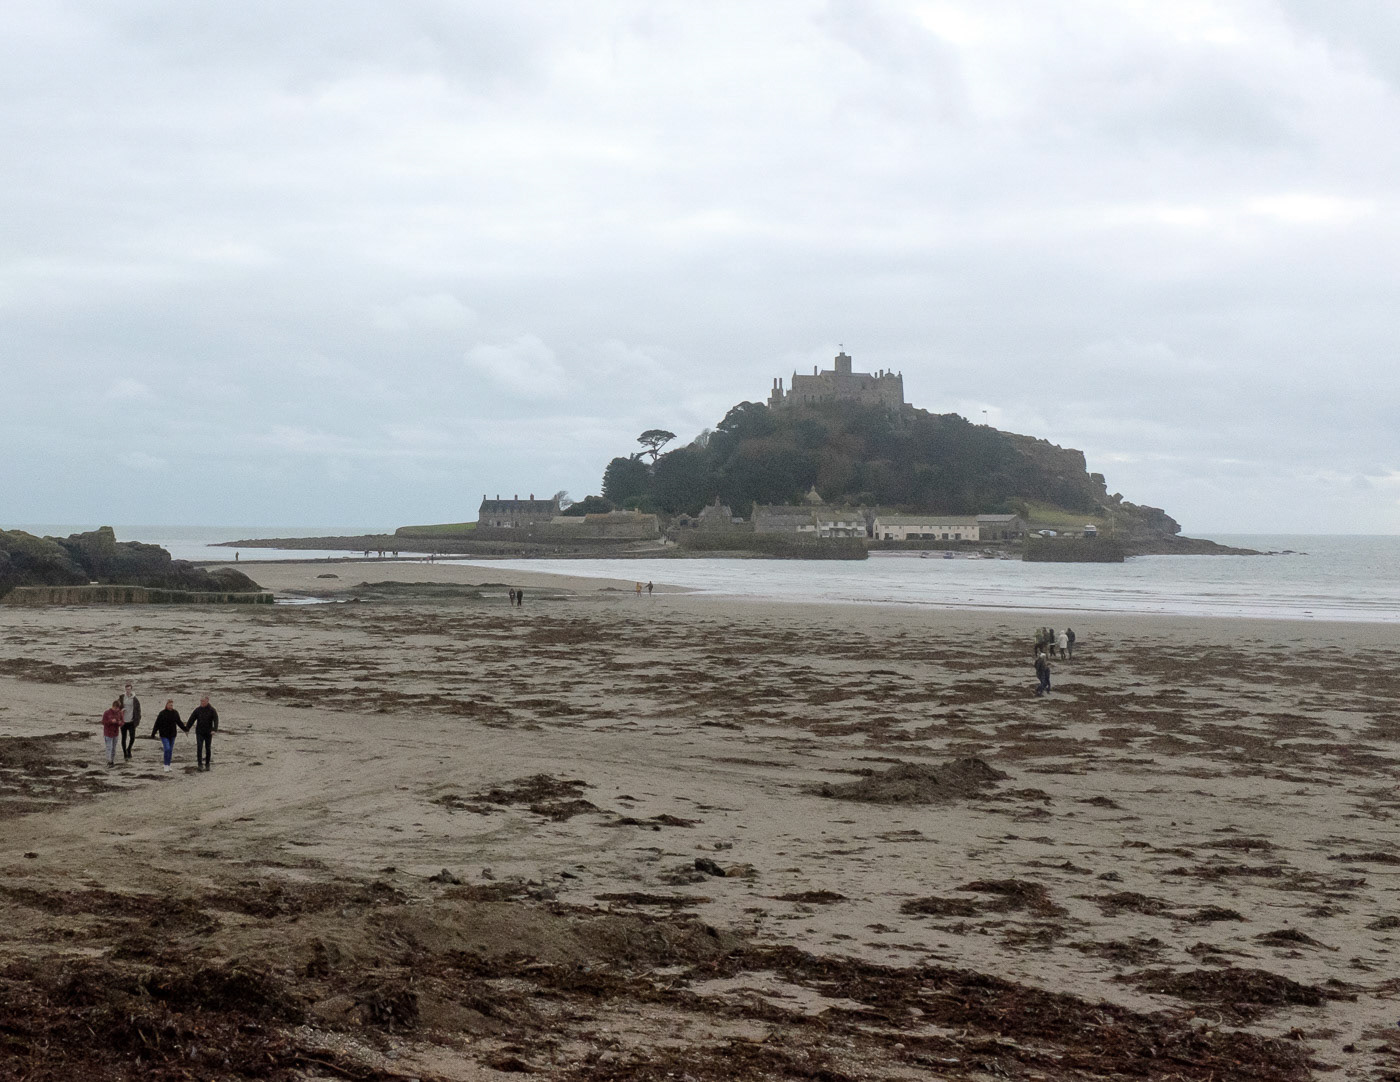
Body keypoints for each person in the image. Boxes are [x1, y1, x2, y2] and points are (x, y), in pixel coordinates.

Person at [150, 699, 184, 773]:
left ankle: (168, 765)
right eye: (169, 705)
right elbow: (157, 724)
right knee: (167, 749)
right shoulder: (162, 713)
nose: (171, 706)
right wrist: (153, 733)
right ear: (166, 705)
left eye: (172, 705)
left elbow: (179, 722)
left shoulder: (175, 713)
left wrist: (185, 729)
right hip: (164, 734)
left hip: (172, 734)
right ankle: (165, 765)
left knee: (170, 750)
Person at [188, 695, 219, 772]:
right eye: (201, 701)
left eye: (203, 701)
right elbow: (192, 719)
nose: (202, 703)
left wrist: (214, 729)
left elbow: (216, 720)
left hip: (208, 732)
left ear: (207, 701)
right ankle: (200, 764)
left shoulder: (212, 710)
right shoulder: (197, 710)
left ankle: (207, 764)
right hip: (199, 732)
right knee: (199, 747)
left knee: (208, 748)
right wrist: (186, 728)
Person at [120, 682, 142, 760]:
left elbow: (138, 710)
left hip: (131, 721)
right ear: (125, 689)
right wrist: (121, 710)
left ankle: (129, 749)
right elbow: (117, 707)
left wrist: (137, 720)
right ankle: (125, 753)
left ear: (131, 689)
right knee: (123, 738)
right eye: (126, 689)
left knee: (132, 738)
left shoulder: (135, 699)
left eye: (129, 689)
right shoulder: (122, 697)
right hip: (123, 721)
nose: (128, 691)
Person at [100, 699, 123, 767]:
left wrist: (119, 723)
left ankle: (112, 761)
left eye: (118, 709)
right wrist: (111, 721)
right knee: (109, 747)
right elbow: (103, 722)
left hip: (115, 733)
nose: (118, 710)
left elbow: (122, 722)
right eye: (117, 708)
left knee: (114, 748)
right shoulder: (107, 713)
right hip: (108, 733)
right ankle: (108, 761)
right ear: (114, 706)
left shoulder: (119, 713)